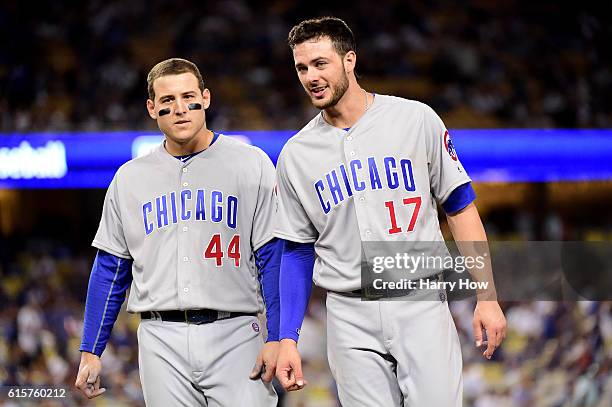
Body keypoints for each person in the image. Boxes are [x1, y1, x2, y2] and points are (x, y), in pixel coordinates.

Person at [273, 17, 507, 406]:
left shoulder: (415, 119)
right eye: (301, 68)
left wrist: (487, 296)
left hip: (419, 299)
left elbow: (460, 207)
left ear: (349, 60)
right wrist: (287, 337)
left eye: (320, 63)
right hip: (348, 313)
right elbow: (296, 250)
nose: (310, 76)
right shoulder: (296, 154)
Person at [74, 58, 279, 406]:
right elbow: (110, 268)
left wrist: (279, 336)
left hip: (237, 332)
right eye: (167, 101)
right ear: (152, 108)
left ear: (206, 98)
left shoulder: (251, 162)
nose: (180, 109)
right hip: (160, 338)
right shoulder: (129, 178)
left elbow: (272, 257)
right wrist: (91, 349)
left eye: (188, 97)